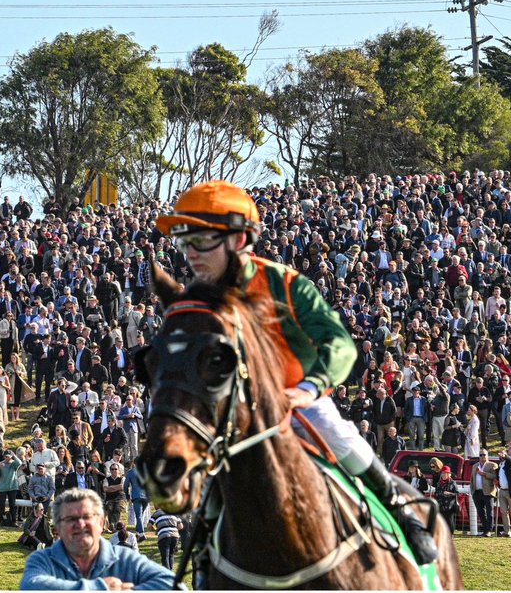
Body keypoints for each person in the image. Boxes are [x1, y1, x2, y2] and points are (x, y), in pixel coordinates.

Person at [153, 180, 439, 564]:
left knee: (339, 436)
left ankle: (400, 511)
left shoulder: (287, 285)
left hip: (296, 399)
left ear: (239, 239)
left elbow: (340, 344)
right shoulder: (195, 300)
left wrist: (309, 388)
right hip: (233, 410)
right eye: (185, 242)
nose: (190, 254)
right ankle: (207, 563)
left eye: (200, 240)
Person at [20, 489, 175, 590]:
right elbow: (31, 586)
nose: (80, 524)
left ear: (101, 524)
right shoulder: (42, 559)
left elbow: (173, 584)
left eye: (87, 517)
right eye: (70, 518)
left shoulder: (125, 558)